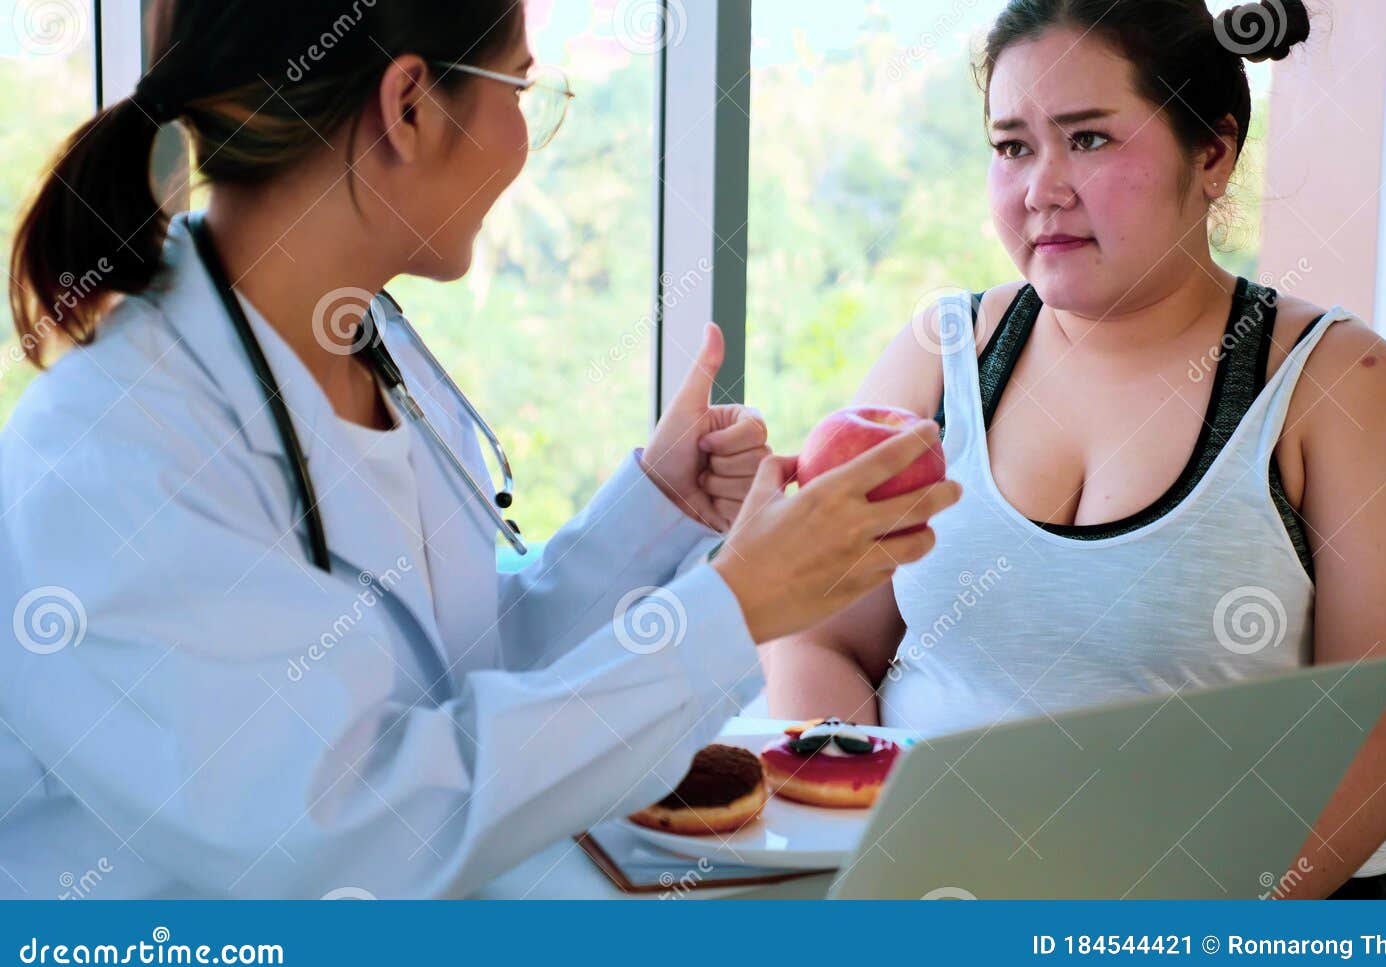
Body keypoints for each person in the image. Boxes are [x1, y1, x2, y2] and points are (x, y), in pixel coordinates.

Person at [0, 0, 959, 899]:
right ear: (410, 105)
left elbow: (457, 675)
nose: (522, 141)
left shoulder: (366, 344)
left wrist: (654, 514)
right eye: (521, 89)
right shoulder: (110, 457)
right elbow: (348, 834)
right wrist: (739, 605)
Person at [761, 0, 1386, 898]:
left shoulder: (1338, 382)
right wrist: (868, 852)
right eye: (1012, 146)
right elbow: (820, 641)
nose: (1040, 188)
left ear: (1212, 153)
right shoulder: (942, 357)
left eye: (1089, 140)